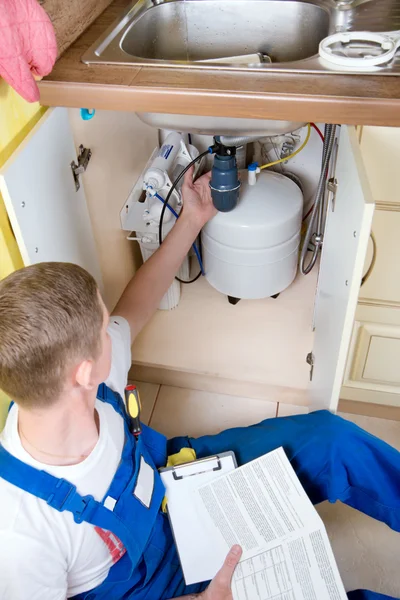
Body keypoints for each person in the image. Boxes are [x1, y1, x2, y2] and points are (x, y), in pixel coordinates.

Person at [0, 168, 398, 600]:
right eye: (102, 327)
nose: (111, 327)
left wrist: (193, 217)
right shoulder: (21, 535)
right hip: (154, 589)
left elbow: (135, 305)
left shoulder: (69, 382)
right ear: (83, 372)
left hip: (179, 487)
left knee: (330, 441)